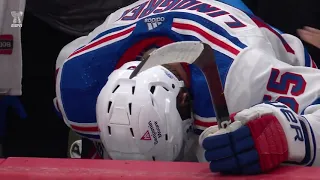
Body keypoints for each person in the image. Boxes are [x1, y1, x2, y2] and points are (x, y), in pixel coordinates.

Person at [55, 0, 320, 175]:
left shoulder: (244, 72)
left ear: (183, 99)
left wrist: (290, 136)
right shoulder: (77, 80)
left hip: (233, 29)